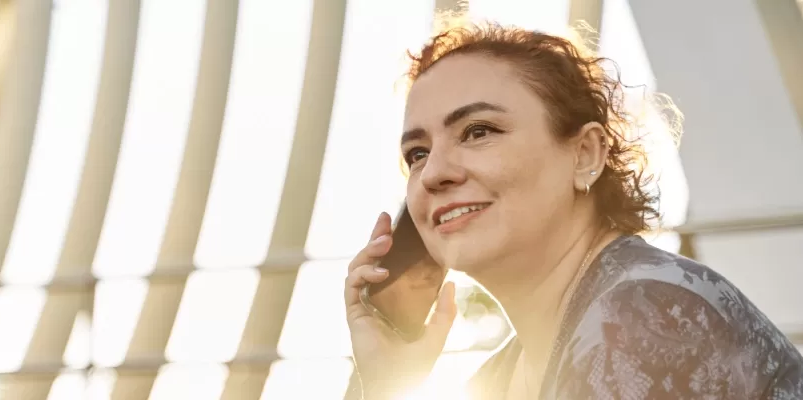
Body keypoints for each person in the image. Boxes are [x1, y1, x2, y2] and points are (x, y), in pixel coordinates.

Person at [343, 18, 803, 399]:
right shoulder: (498, 378)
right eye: (417, 153)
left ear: (585, 154)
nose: (433, 173)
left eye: (478, 130)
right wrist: (383, 384)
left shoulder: (643, 314)